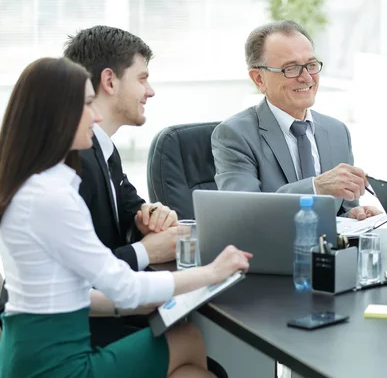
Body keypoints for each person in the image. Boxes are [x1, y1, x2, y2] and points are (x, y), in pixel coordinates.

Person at [0, 57, 252, 377]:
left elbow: (63, 291)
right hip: (56, 366)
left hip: (27, 351)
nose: (95, 115)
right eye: (88, 104)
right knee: (188, 342)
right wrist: (214, 272)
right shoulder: (52, 198)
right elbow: (123, 285)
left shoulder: (33, 185)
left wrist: (136, 304)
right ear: (57, 116)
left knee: (188, 346)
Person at [64, 25, 177, 345]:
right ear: (110, 81)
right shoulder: (73, 162)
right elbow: (75, 275)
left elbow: (130, 204)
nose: (150, 91)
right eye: (142, 78)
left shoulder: (102, 151)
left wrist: (151, 214)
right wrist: (144, 251)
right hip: (82, 332)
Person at [211, 20, 380, 220]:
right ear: (259, 79)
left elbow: (341, 210)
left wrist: (353, 215)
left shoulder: (337, 132)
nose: (307, 77)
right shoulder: (234, 135)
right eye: (290, 68)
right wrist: (316, 187)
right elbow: (244, 213)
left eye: (311, 65)